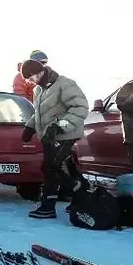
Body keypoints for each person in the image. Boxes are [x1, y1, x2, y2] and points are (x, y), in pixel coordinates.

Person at [19, 54, 88, 220]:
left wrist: (59, 126)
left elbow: (80, 108)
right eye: (29, 78)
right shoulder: (39, 90)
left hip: (66, 134)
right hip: (48, 136)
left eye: (35, 75)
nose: (33, 79)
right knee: (60, 169)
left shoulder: (64, 84)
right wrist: (30, 126)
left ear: (42, 70)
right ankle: (80, 197)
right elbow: (40, 114)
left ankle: (50, 205)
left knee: (52, 168)